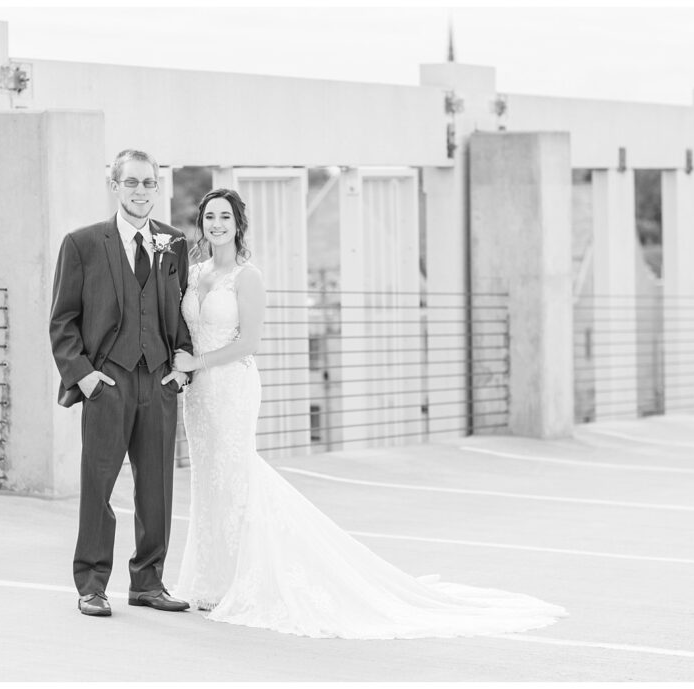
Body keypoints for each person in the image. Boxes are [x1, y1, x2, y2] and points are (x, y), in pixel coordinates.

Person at [171, 188, 568, 639]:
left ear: (238, 224)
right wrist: (186, 368)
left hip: (231, 387)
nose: (217, 224)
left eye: (225, 216)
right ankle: (209, 580)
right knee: (207, 481)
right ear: (201, 224)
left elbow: (248, 344)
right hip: (198, 395)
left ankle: (243, 581)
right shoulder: (195, 271)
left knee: (238, 477)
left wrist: (196, 364)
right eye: (209, 217)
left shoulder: (248, 277)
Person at [50, 149, 193, 617]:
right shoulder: (83, 243)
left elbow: (182, 311)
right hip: (107, 382)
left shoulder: (173, 244)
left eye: (148, 183)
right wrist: (85, 376)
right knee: (99, 484)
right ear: (114, 185)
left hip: (158, 380)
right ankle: (91, 583)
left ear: (157, 187)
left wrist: (180, 369)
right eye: (130, 182)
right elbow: (63, 321)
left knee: (157, 488)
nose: (140, 191)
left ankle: (148, 582)